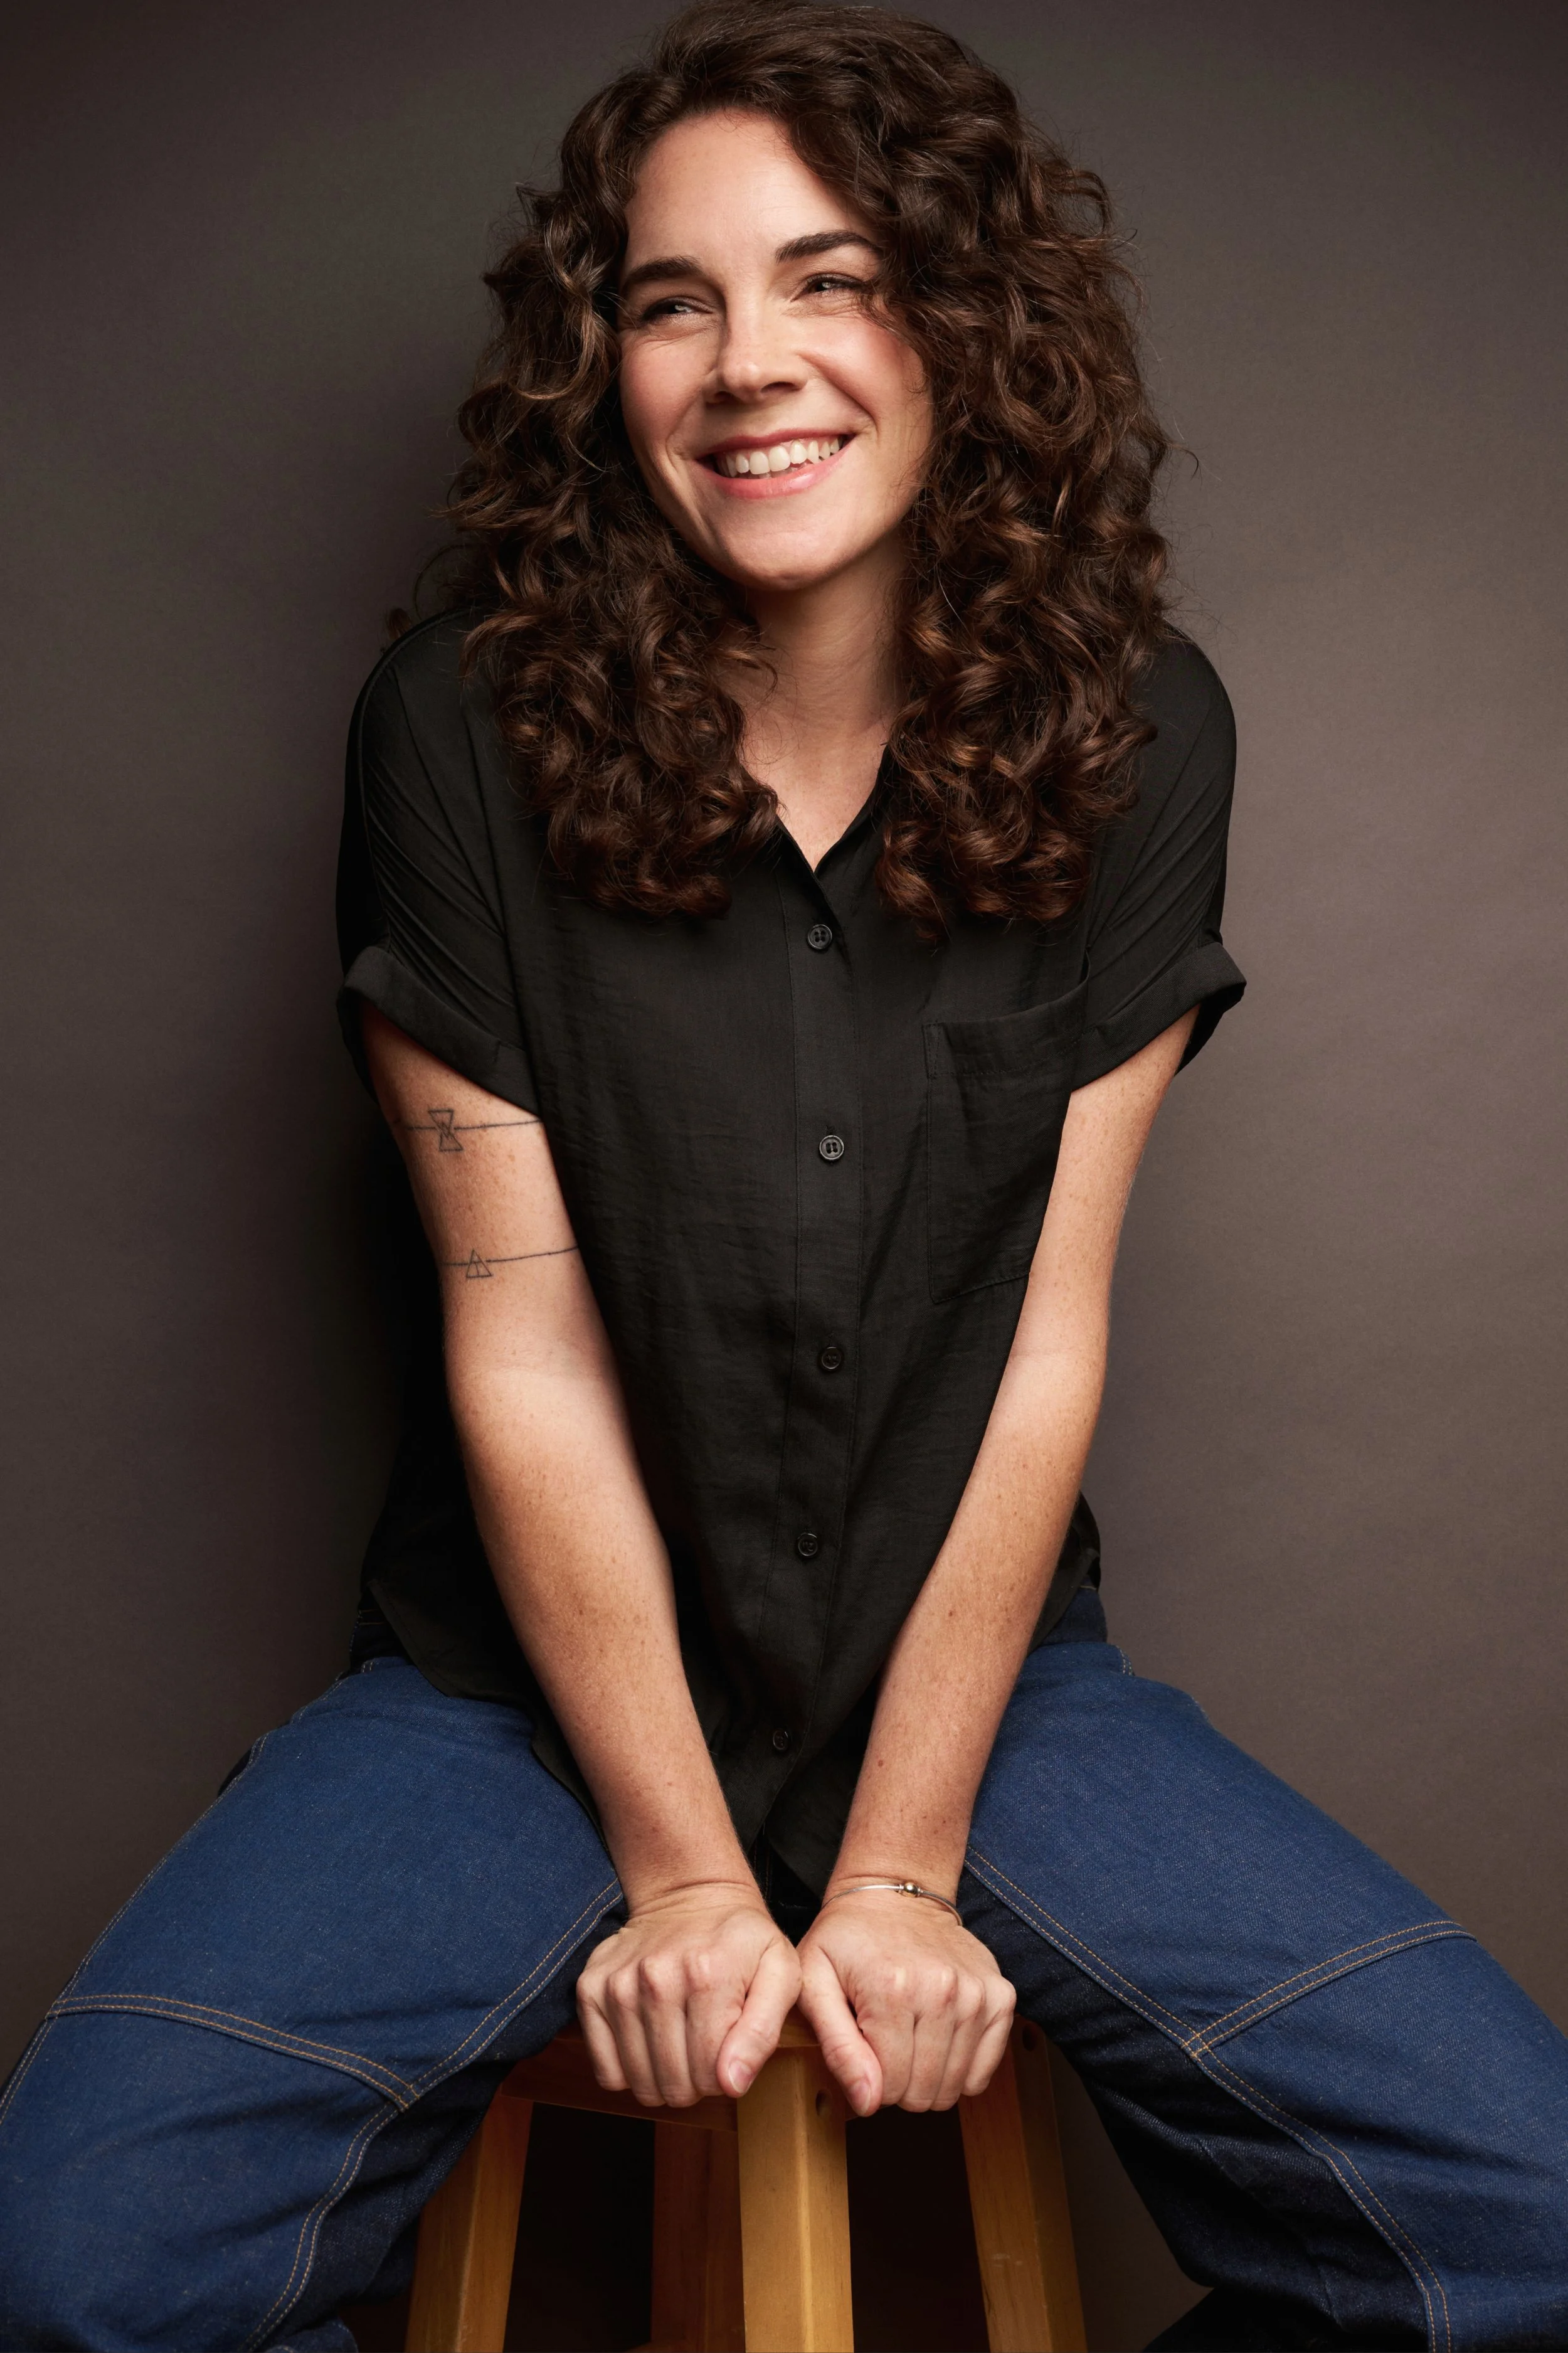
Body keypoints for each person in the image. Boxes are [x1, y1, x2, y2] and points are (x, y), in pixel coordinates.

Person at [3, 5, 1564, 2347]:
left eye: (834, 279)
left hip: (980, 1680)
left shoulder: (1147, 737)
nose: (753, 363)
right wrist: (680, 1871)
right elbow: (513, 1338)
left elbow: (1044, 1335)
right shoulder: (452, 723)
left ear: (966, 331)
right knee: (84, 2268)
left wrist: (910, 1860)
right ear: (599, 362)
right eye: (672, 299)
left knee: (1524, 2225)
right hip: (514, 1692)